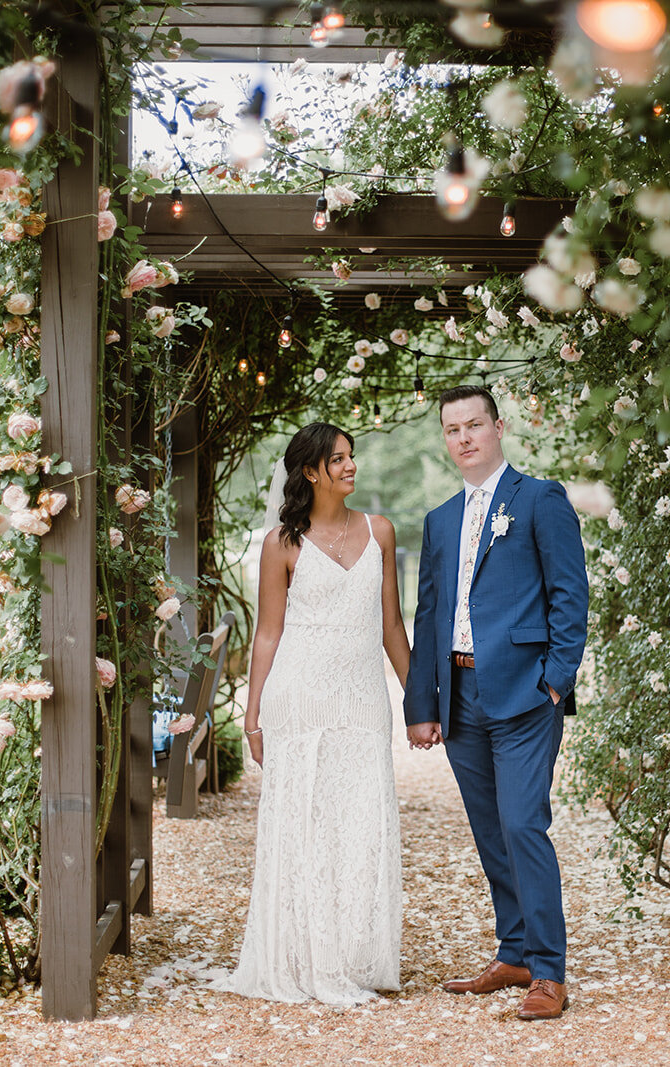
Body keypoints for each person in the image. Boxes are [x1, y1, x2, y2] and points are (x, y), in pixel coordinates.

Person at [403, 385, 589, 1021]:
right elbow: (430, 614)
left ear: (498, 427)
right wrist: (420, 704)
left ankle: (547, 971)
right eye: (452, 430)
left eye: (474, 425)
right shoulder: (440, 521)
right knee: (489, 831)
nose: (463, 438)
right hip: (459, 696)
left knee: (521, 824)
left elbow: (570, 596)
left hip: (524, 694)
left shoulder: (540, 500)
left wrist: (556, 679)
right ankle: (513, 951)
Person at [213, 422, 410, 1005]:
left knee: (362, 825)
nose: (351, 466)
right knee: (303, 827)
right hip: (297, 700)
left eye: (352, 457)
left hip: (362, 699)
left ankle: (353, 953)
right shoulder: (282, 544)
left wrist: (421, 700)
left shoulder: (381, 532)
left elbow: (392, 627)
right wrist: (253, 718)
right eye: (338, 459)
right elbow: (268, 635)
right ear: (310, 471)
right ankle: (301, 956)